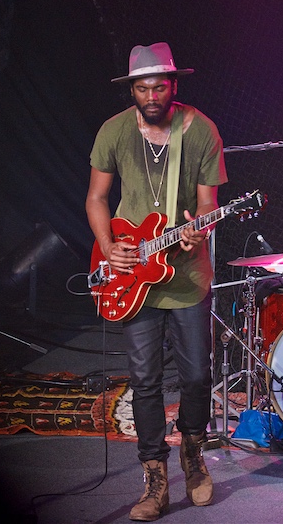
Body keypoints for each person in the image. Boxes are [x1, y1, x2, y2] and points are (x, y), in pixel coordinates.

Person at [86, 42, 228, 522]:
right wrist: (108, 247)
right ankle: (155, 476)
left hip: (186, 274)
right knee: (144, 381)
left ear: (174, 85)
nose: (151, 95)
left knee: (196, 375)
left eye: (159, 86)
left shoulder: (201, 129)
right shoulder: (114, 131)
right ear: (132, 89)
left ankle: (193, 454)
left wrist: (200, 227)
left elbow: (209, 204)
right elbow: (96, 198)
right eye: (142, 87)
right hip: (131, 269)